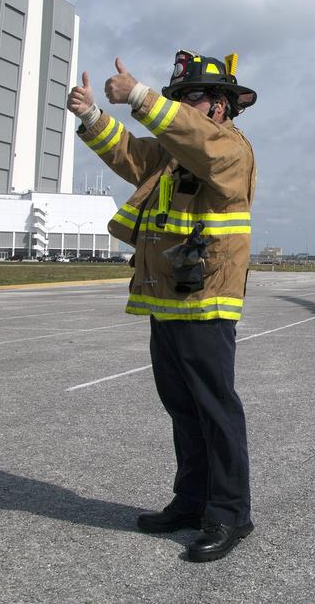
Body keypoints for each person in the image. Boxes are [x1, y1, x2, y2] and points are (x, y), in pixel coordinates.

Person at [67, 49, 257, 563]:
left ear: (221, 107)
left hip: (207, 300)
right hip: (168, 298)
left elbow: (199, 144)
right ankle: (192, 500)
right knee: (182, 409)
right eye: (180, 98)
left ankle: (230, 513)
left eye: (193, 96)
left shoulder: (229, 149)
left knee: (215, 410)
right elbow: (130, 154)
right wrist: (90, 115)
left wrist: (141, 96)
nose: (186, 106)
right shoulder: (174, 157)